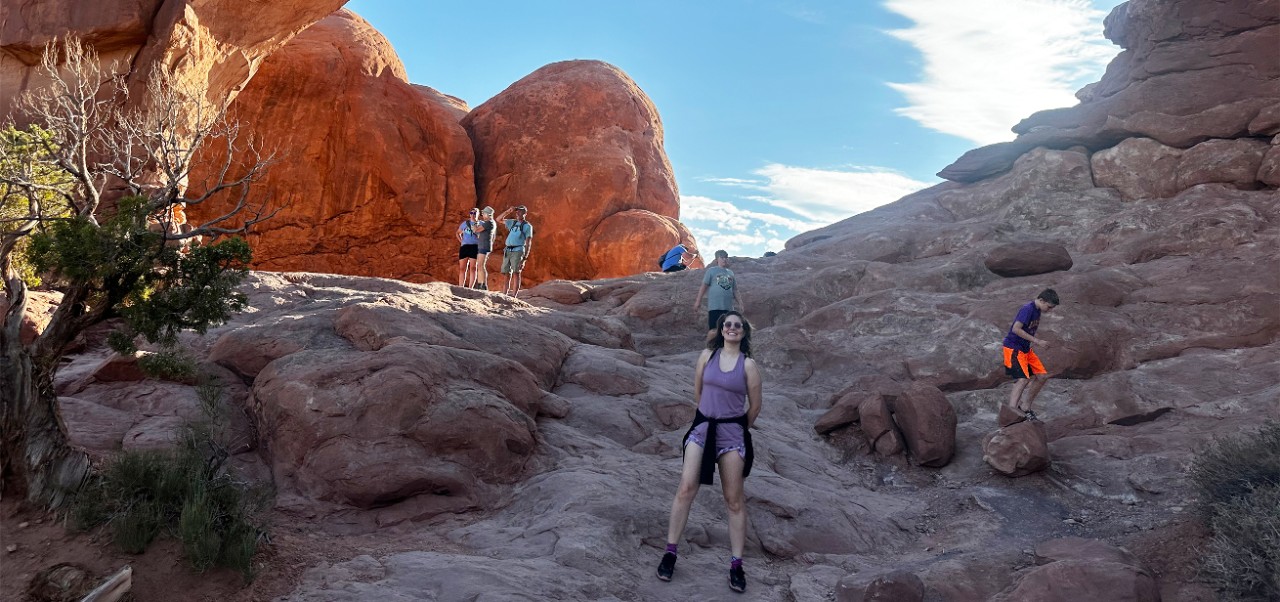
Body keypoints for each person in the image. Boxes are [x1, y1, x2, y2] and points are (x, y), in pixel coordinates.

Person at [657, 311, 763, 594]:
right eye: (727, 324)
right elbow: (698, 392)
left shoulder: (748, 365)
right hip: (703, 428)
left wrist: (739, 427)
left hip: (731, 434)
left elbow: (754, 406)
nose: (732, 328)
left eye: (737, 326)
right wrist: (709, 415)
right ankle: (670, 552)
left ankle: (736, 564)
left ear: (743, 332)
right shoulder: (707, 356)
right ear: (721, 329)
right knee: (686, 487)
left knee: (734, 500)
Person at [1002, 288, 1060, 421]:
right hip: (1013, 347)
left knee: (1042, 376)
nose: (1049, 310)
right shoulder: (1027, 309)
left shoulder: (1038, 310)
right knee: (1023, 379)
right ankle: (1012, 412)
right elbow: (1016, 329)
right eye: (1049, 307)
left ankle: (1025, 407)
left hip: (1025, 349)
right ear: (1041, 300)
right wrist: (1037, 341)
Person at [693, 250, 744, 339]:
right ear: (717, 259)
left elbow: (735, 290)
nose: (724, 259)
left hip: (728, 308)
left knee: (727, 330)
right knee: (713, 330)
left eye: (726, 257)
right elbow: (703, 286)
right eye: (722, 257)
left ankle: (724, 350)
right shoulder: (711, 271)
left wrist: (740, 303)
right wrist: (698, 301)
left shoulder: (730, 273)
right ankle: (710, 349)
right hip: (715, 307)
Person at [497, 205, 533, 296]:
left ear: (525, 214)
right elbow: (498, 219)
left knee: (516, 272)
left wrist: (524, 258)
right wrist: (508, 211)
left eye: (520, 211)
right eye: (517, 211)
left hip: (518, 250)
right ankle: (504, 295)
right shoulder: (513, 223)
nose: (518, 213)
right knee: (506, 273)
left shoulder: (527, 226)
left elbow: (528, 242)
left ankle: (514, 296)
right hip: (508, 250)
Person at [472, 206, 497, 290]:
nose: (482, 214)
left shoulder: (488, 222)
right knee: (480, 265)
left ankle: (482, 285)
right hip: (484, 245)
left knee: (480, 265)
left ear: (488, 214)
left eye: (484, 213)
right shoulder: (491, 222)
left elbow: (476, 230)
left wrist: (474, 221)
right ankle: (481, 284)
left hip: (484, 246)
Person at [456, 208, 481, 286]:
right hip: (465, 247)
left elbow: (483, 236)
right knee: (462, 268)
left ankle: (470, 288)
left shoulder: (481, 224)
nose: (473, 215)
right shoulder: (465, 223)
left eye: (475, 213)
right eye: (471, 213)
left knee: (473, 268)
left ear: (478, 214)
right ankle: (461, 287)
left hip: (474, 247)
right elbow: (457, 233)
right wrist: (461, 242)